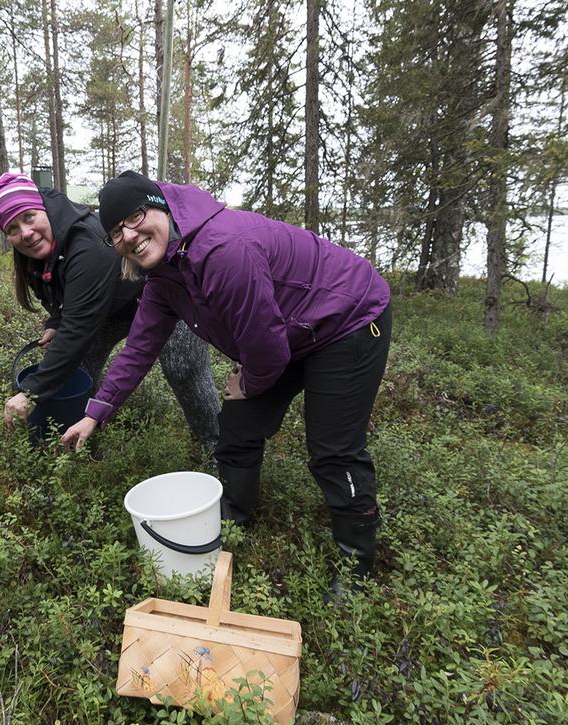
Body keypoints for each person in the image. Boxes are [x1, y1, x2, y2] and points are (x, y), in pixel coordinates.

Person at [61, 171, 392, 592]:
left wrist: (251, 383)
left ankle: (357, 567)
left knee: (333, 449)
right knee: (237, 427)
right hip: (288, 330)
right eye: (114, 232)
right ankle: (234, 516)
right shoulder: (165, 275)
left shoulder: (223, 248)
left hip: (349, 319)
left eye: (135, 216)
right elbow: (139, 348)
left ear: (159, 204)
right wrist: (96, 413)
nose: (128, 235)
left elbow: (267, 352)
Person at [0, 172, 219, 450]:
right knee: (78, 368)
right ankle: (79, 439)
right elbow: (58, 291)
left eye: (29, 217)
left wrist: (31, 392)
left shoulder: (88, 244)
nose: (24, 232)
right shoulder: (35, 245)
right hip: (109, 308)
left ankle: (215, 445)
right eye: (12, 228)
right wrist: (55, 321)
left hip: (160, 296)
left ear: (44, 207)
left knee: (184, 368)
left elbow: (77, 328)